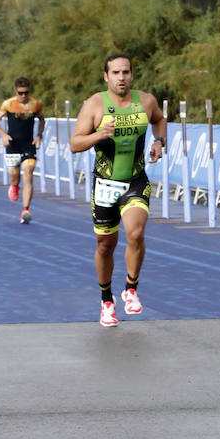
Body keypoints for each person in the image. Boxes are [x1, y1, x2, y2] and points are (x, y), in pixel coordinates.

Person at [68, 53, 167, 328]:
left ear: (131, 75)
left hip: (135, 181)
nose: (121, 77)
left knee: (135, 233)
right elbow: (74, 143)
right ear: (106, 76)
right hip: (105, 184)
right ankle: (106, 299)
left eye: (125, 72)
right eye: (115, 73)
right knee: (105, 245)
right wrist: (99, 134)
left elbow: (159, 119)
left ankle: (131, 289)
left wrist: (159, 141)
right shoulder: (94, 104)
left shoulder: (145, 101)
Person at [0, 77, 46, 224]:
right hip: (13, 144)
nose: (23, 96)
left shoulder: (36, 104)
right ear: (16, 90)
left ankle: (25, 209)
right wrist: (3, 135)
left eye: (26, 93)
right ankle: (14, 186)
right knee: (15, 177)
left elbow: (42, 120)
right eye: (20, 93)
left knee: (29, 172)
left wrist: (39, 135)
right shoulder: (8, 104)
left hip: (28, 144)